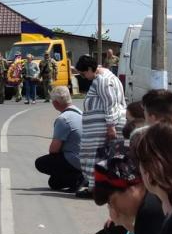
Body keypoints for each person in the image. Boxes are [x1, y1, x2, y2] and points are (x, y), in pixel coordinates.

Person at [75, 55, 126, 198]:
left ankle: (95, 189)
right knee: (104, 158)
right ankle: (102, 187)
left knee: (94, 157)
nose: (84, 77)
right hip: (104, 126)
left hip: (104, 127)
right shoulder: (107, 78)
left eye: (83, 74)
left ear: (90, 69)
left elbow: (110, 103)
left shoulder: (103, 80)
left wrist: (110, 125)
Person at [34, 85, 82, 192]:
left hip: (74, 159)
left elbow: (54, 149)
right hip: (86, 158)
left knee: (40, 163)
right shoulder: (80, 113)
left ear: (55, 103)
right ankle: (78, 178)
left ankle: (80, 178)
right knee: (54, 183)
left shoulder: (63, 119)